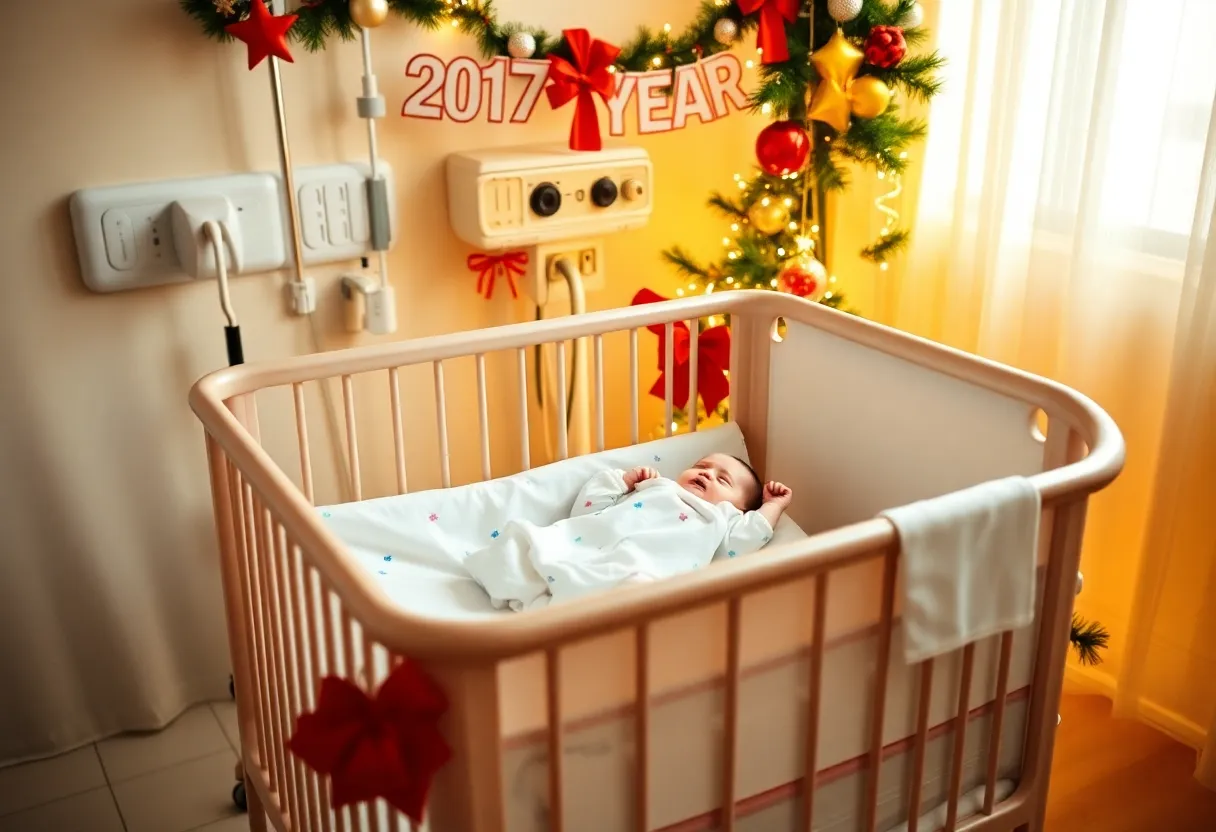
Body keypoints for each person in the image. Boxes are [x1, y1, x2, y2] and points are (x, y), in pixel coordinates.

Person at [463, 453, 793, 610]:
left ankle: (558, 612)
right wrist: (622, 481)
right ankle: (521, 584)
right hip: (583, 547)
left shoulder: (722, 519)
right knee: (525, 542)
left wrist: (773, 506)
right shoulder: (654, 485)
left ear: (738, 507)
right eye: (701, 467)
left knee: (632, 593)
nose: (707, 475)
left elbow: (748, 538)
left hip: (635, 568)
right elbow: (587, 510)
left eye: (723, 480)